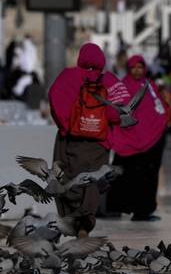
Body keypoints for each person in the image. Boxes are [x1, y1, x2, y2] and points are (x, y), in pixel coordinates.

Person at [49, 43, 130, 237]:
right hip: (98, 143)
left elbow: (54, 100)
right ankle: (85, 223)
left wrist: (68, 125)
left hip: (69, 140)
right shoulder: (110, 80)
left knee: (65, 178)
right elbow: (121, 111)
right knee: (92, 181)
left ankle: (71, 220)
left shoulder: (68, 76)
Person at [106, 55, 170, 221]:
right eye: (134, 67)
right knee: (122, 174)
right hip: (128, 138)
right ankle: (115, 208)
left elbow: (159, 108)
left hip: (152, 139)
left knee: (146, 176)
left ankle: (143, 211)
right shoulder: (122, 86)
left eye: (140, 67)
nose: (137, 70)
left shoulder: (150, 86)